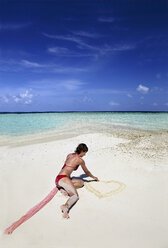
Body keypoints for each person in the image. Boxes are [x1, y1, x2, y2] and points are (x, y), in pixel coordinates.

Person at [55, 143, 99, 219]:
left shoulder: (70, 155)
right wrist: (94, 177)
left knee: (81, 182)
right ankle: (65, 207)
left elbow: (64, 167)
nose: (85, 155)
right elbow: (87, 172)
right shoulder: (80, 160)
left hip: (58, 178)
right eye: (85, 153)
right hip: (63, 179)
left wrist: (67, 180)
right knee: (75, 196)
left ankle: (62, 188)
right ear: (82, 151)